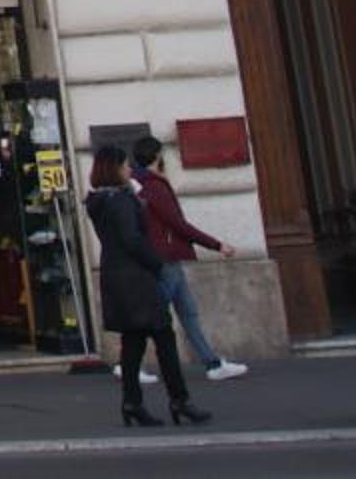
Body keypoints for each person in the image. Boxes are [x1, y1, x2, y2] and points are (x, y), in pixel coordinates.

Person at [87, 144, 206, 428]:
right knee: (164, 336)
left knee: (133, 341)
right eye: (125, 165)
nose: (129, 169)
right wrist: (156, 264)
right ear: (115, 169)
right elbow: (132, 239)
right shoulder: (120, 201)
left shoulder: (100, 202)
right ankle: (179, 399)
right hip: (136, 278)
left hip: (117, 275)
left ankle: (133, 403)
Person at [130, 135, 245, 381]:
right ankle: (127, 364)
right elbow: (178, 224)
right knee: (154, 313)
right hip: (166, 257)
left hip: (164, 256)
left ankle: (212, 363)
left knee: (188, 311)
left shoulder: (139, 184)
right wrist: (217, 245)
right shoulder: (154, 186)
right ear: (157, 155)